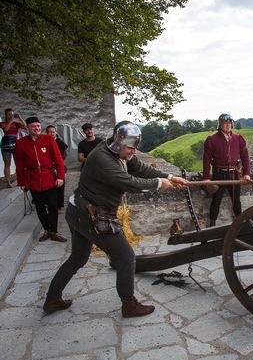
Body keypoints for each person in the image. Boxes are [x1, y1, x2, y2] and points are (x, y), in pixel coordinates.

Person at [43, 121, 188, 317]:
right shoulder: (102, 158)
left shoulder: (117, 151)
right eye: (131, 147)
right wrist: (158, 183)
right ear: (119, 143)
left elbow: (141, 169)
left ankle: (52, 299)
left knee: (78, 258)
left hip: (80, 211)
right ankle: (129, 305)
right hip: (90, 214)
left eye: (135, 147)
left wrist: (170, 176)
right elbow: (129, 182)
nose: (133, 152)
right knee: (126, 258)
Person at [14, 117, 67, 242]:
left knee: (53, 205)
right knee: (39, 206)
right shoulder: (21, 143)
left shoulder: (48, 139)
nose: (37, 128)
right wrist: (21, 182)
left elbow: (58, 158)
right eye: (33, 126)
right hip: (33, 180)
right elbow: (20, 164)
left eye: (38, 125)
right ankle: (47, 230)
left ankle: (54, 231)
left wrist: (60, 176)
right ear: (27, 128)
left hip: (49, 178)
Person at [202, 113, 251, 227]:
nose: (228, 125)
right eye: (225, 123)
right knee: (216, 200)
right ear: (220, 125)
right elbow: (207, 159)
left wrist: (247, 174)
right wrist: (206, 178)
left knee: (236, 201)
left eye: (230, 123)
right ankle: (212, 226)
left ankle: (241, 225)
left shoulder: (238, 139)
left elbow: (245, 157)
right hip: (219, 174)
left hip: (234, 174)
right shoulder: (211, 139)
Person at [0, 108, 27, 187]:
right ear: (5, 115)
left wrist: (20, 118)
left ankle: (20, 181)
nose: (11, 116)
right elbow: (6, 129)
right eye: (9, 114)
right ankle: (8, 183)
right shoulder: (2, 123)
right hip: (6, 145)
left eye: (12, 114)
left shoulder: (16, 123)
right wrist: (11, 121)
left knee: (18, 163)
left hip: (16, 145)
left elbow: (26, 127)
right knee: (7, 163)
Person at [46, 125, 69, 212]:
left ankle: (59, 205)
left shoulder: (61, 143)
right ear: (46, 132)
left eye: (53, 132)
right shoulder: (44, 141)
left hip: (58, 166)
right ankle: (49, 203)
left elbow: (63, 156)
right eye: (50, 132)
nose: (52, 134)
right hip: (48, 167)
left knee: (59, 186)